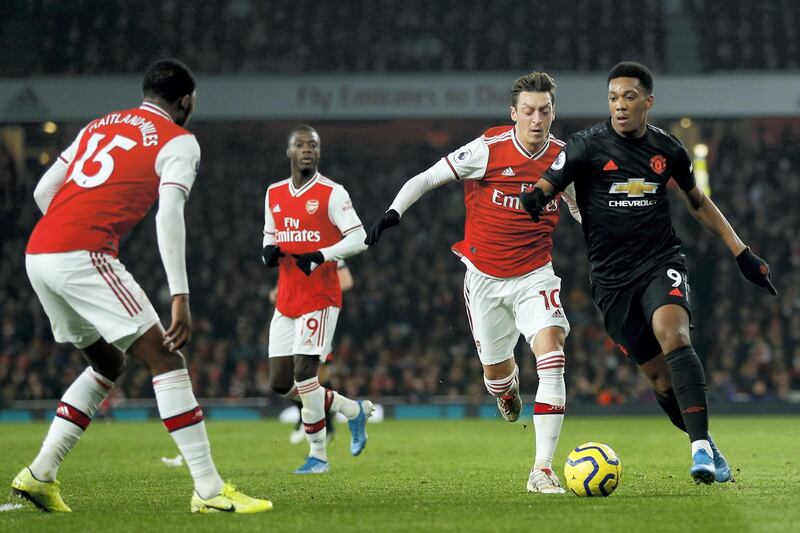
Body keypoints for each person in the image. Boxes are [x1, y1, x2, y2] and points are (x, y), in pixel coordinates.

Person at [12, 59, 272, 513]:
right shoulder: (179, 141)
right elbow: (168, 214)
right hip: (81, 254)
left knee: (107, 363)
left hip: (40, 253)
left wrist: (73, 224)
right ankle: (210, 491)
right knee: (164, 356)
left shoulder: (100, 124)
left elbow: (41, 191)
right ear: (186, 101)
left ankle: (40, 474)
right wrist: (180, 296)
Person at [520, 61, 777, 484]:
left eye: (629, 97)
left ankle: (697, 451)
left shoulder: (668, 150)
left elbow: (698, 202)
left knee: (674, 334)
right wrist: (532, 200)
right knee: (659, 378)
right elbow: (544, 188)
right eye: (613, 98)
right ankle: (706, 440)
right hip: (610, 281)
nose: (620, 106)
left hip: (661, 261)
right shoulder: (585, 146)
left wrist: (741, 253)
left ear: (648, 102)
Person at [365, 72, 580, 494]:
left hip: (535, 273)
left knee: (551, 354)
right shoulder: (488, 150)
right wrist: (393, 212)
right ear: (513, 113)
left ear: (554, 113)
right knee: (497, 376)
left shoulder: (565, 160)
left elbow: (577, 208)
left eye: (545, 111)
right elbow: (427, 177)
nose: (537, 119)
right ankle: (506, 390)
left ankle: (542, 469)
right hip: (484, 280)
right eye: (529, 111)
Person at [262, 125, 372, 474]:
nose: (306, 149)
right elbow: (269, 234)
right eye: (300, 144)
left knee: (305, 373)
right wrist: (267, 252)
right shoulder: (274, 193)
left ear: (319, 152)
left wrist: (322, 254)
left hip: (321, 297)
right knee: (281, 382)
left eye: (313, 145)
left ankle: (318, 456)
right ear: (289, 151)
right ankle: (352, 411)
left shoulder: (332, 193)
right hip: (287, 299)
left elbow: (360, 238)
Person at [278, 260, 353, 445]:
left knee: (315, 375)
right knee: (288, 375)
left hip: (319, 318)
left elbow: (346, 281)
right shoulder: (293, 249)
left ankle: (323, 425)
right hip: (295, 319)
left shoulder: (330, 251)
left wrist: (315, 291)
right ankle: (309, 419)